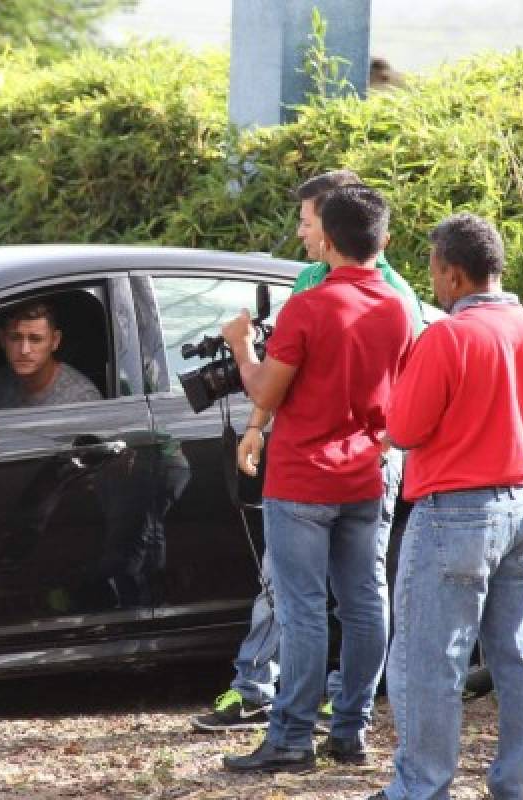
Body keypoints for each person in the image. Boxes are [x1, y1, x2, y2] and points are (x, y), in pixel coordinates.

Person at [192, 169, 423, 734]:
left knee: (300, 608)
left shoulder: (310, 305)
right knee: (365, 601)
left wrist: (242, 347)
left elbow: (268, 387)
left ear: (329, 237)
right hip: (367, 471)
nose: (302, 233)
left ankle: (291, 731)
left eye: (307, 224)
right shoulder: (398, 306)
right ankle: (351, 727)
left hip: (302, 478)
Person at [373, 213, 523, 800]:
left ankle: (422, 788)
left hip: (453, 514)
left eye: (435, 269)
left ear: (455, 274)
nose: (433, 281)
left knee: (427, 661)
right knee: (521, 655)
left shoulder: (444, 336)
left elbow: (406, 428)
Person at [0, 299, 101, 410]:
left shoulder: (81, 400)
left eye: (35, 339)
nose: (24, 350)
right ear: (2, 339)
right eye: (15, 338)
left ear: (55, 341)